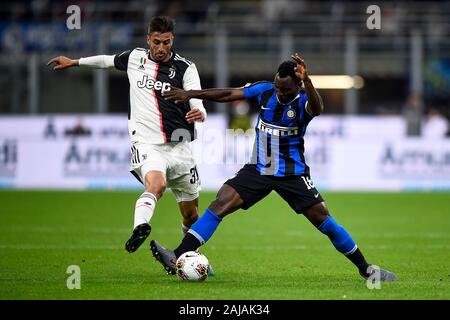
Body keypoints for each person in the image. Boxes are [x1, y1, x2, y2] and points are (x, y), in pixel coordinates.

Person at [151, 53, 397, 282]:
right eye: (277, 86)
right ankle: (176, 256)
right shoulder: (265, 91)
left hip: (292, 173)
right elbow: (228, 94)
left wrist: (308, 81)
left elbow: (318, 108)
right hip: (259, 168)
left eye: (286, 89)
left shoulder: (303, 101)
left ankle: (366, 269)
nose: (279, 92)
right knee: (220, 203)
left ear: (298, 86)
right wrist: (190, 93)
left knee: (325, 220)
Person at [47, 16, 207, 254]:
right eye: (156, 42)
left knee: (191, 214)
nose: (161, 48)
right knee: (156, 184)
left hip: (180, 147)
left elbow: (196, 94)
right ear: (148, 39)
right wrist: (75, 62)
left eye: (166, 42)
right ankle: (140, 227)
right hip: (147, 143)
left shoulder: (185, 67)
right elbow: (106, 61)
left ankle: (188, 254)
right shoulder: (135, 58)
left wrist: (200, 110)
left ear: (172, 40)